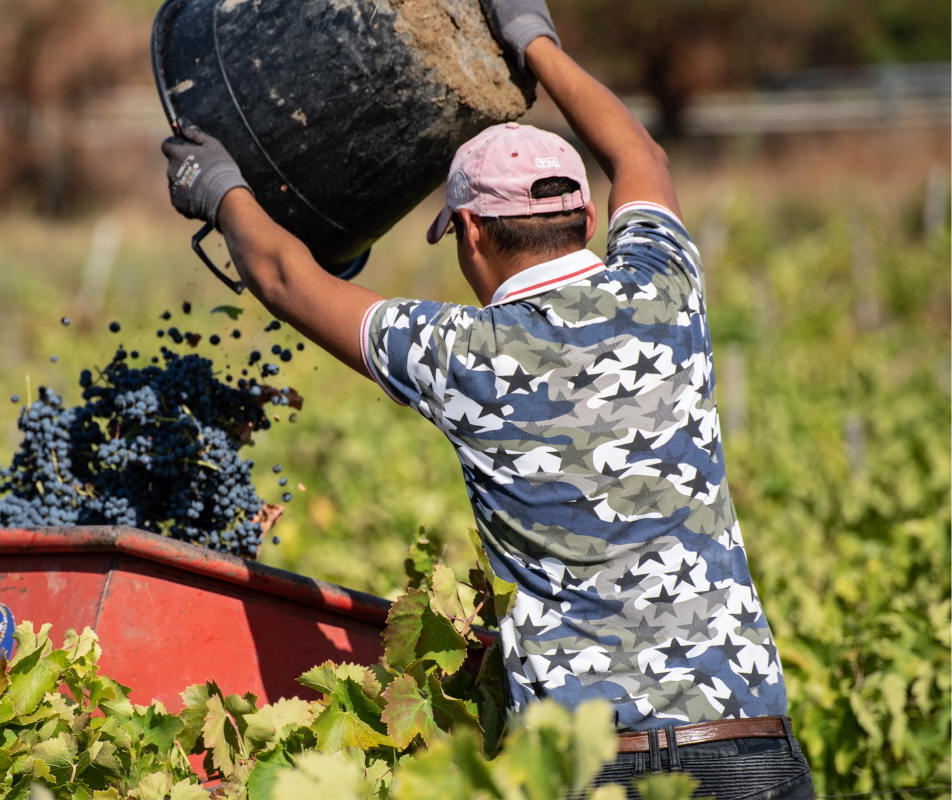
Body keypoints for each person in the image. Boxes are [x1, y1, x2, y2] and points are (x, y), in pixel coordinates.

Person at [161, 1, 815, 796]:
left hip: (593, 768)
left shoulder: (464, 357)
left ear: (470, 234)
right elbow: (639, 151)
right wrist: (532, 37)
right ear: (582, 214)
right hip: (750, 751)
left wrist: (220, 187)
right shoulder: (663, 291)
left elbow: (285, 278)